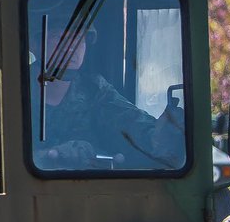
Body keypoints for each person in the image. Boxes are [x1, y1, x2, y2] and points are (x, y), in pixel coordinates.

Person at [32, 22, 183, 170]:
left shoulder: (93, 88)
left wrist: (166, 131)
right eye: (57, 37)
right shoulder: (14, 87)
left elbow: (131, 122)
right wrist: (44, 157)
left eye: (79, 39)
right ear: (34, 45)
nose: (71, 47)